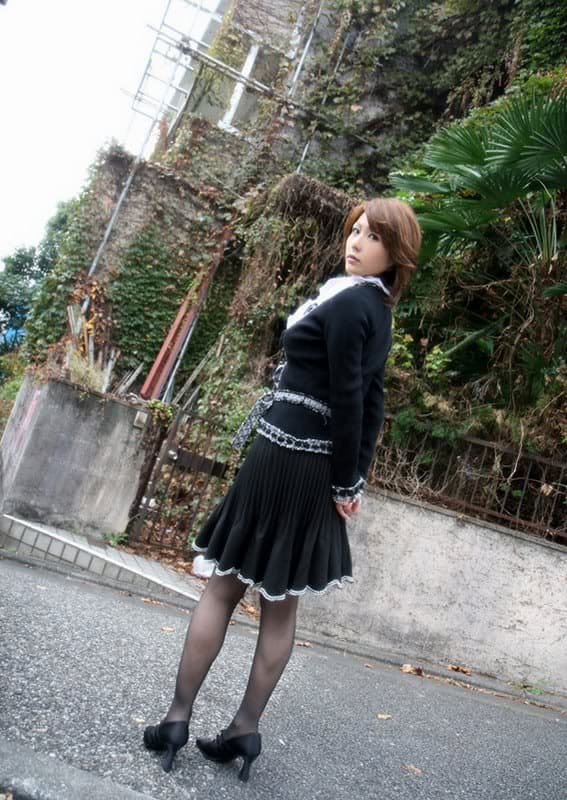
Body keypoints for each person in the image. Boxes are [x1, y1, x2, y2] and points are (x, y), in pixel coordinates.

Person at [143, 197, 421, 780]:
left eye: (373, 238)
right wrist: (352, 478)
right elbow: (372, 403)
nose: (357, 242)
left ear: (395, 256)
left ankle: (178, 717)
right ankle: (243, 731)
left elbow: (353, 400)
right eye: (356, 231)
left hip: (286, 458)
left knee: (224, 587)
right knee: (279, 602)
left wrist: (348, 479)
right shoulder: (367, 303)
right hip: (307, 465)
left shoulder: (353, 305)